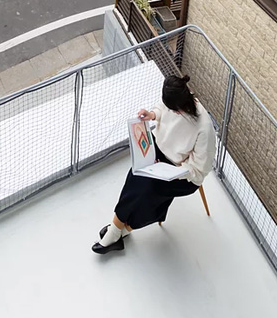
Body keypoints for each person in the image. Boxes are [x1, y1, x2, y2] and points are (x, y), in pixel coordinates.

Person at [92, 73, 215, 255]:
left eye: (174, 110)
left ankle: (120, 230)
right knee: (135, 177)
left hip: (184, 174)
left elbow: (200, 168)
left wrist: (175, 170)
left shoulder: (204, 127)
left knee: (150, 193)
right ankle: (117, 228)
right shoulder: (175, 97)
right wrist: (152, 115)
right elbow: (162, 109)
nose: (172, 113)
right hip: (159, 153)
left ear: (181, 106)